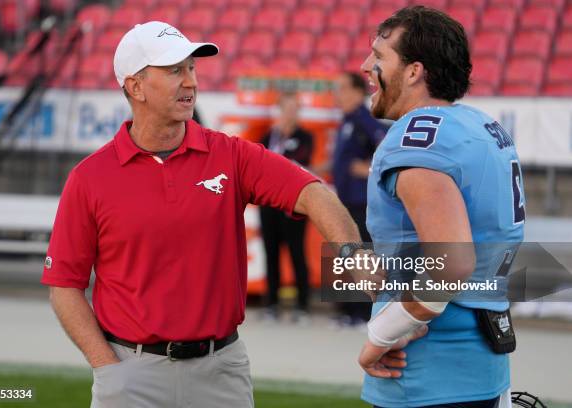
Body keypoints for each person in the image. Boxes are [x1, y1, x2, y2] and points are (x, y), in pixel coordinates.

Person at [41, 21, 363, 408]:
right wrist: (106, 367)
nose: (190, 81)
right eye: (174, 70)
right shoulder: (90, 178)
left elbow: (312, 193)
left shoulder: (232, 154)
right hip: (130, 374)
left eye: (191, 68)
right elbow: (64, 285)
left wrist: (353, 257)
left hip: (221, 372)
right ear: (135, 86)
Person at [357, 6, 525, 407]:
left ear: (414, 71)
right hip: (485, 358)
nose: (366, 66)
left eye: (379, 57)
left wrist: (380, 337)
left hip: (428, 374)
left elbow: (451, 264)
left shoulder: (416, 140)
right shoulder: (479, 125)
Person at [332, 72, 388, 326]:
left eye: (342, 88)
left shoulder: (365, 119)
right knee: (348, 253)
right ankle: (348, 311)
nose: (338, 95)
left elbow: (387, 147)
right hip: (345, 199)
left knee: (362, 255)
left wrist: (369, 169)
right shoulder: (347, 120)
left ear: (357, 92)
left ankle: (363, 312)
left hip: (361, 201)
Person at [259, 92, 314, 322]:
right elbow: (259, 164)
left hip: (295, 203)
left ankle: (302, 305)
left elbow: (298, 162)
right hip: (269, 203)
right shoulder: (270, 135)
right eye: (286, 108)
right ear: (279, 110)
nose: (290, 113)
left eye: (294, 109)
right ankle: (271, 303)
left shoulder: (305, 136)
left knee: (296, 252)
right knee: (271, 253)